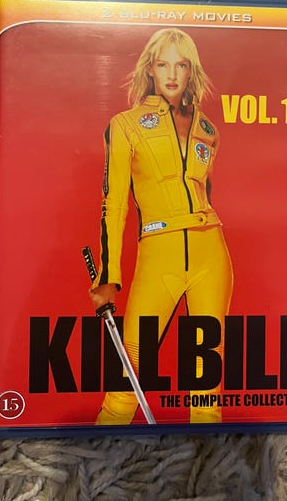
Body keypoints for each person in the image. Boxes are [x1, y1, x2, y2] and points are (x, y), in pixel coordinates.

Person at [89, 28, 233, 424]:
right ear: (150, 69)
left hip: (211, 254)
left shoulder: (208, 130)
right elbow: (115, 203)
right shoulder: (125, 125)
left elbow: (206, 194)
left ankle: (207, 457)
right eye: (163, 64)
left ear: (191, 71)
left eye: (181, 65)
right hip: (159, 253)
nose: (172, 74)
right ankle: (100, 453)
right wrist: (108, 275)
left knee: (207, 381)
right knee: (128, 375)